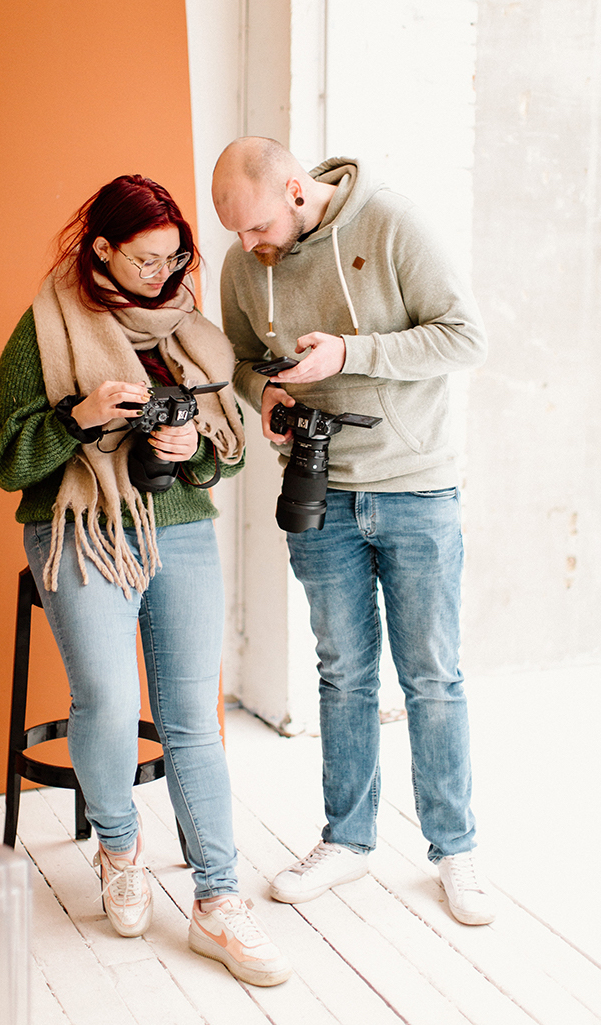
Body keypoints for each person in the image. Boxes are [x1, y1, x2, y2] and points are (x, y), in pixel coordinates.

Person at [0, 174, 291, 985]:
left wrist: (181, 448)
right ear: (103, 251)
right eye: (148, 258)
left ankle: (219, 900)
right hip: (79, 527)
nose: (166, 273)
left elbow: (221, 454)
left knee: (193, 711)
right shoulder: (46, 329)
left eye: (177, 256)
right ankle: (118, 847)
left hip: (179, 527)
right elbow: (7, 461)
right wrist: (78, 420)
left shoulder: (187, 331)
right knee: (112, 703)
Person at [212, 137, 495, 926]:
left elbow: (466, 335)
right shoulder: (246, 264)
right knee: (341, 673)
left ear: (298, 191)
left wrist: (351, 351)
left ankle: (456, 849)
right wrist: (260, 393)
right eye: (234, 232)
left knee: (432, 675)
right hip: (319, 489)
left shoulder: (395, 226)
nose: (248, 246)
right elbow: (238, 358)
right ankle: (348, 840)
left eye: (258, 226)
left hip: (415, 487)